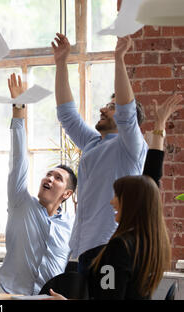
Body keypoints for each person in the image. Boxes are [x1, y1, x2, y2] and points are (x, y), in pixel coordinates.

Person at [46, 94, 183, 300]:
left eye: (118, 196)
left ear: (133, 203)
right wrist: (159, 126)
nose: (111, 201)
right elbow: (152, 178)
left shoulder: (118, 248)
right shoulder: (148, 242)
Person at [53, 34, 148, 276]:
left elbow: (127, 113)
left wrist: (119, 59)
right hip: (83, 246)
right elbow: (67, 114)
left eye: (112, 106)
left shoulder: (130, 146)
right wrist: (61, 63)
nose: (103, 108)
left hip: (109, 244)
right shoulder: (94, 143)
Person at [0, 73, 77, 295]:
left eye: (58, 178)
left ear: (68, 194)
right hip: (12, 294)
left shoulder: (72, 225)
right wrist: (19, 109)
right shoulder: (20, 202)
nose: (49, 178)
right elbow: (19, 160)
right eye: (48, 174)